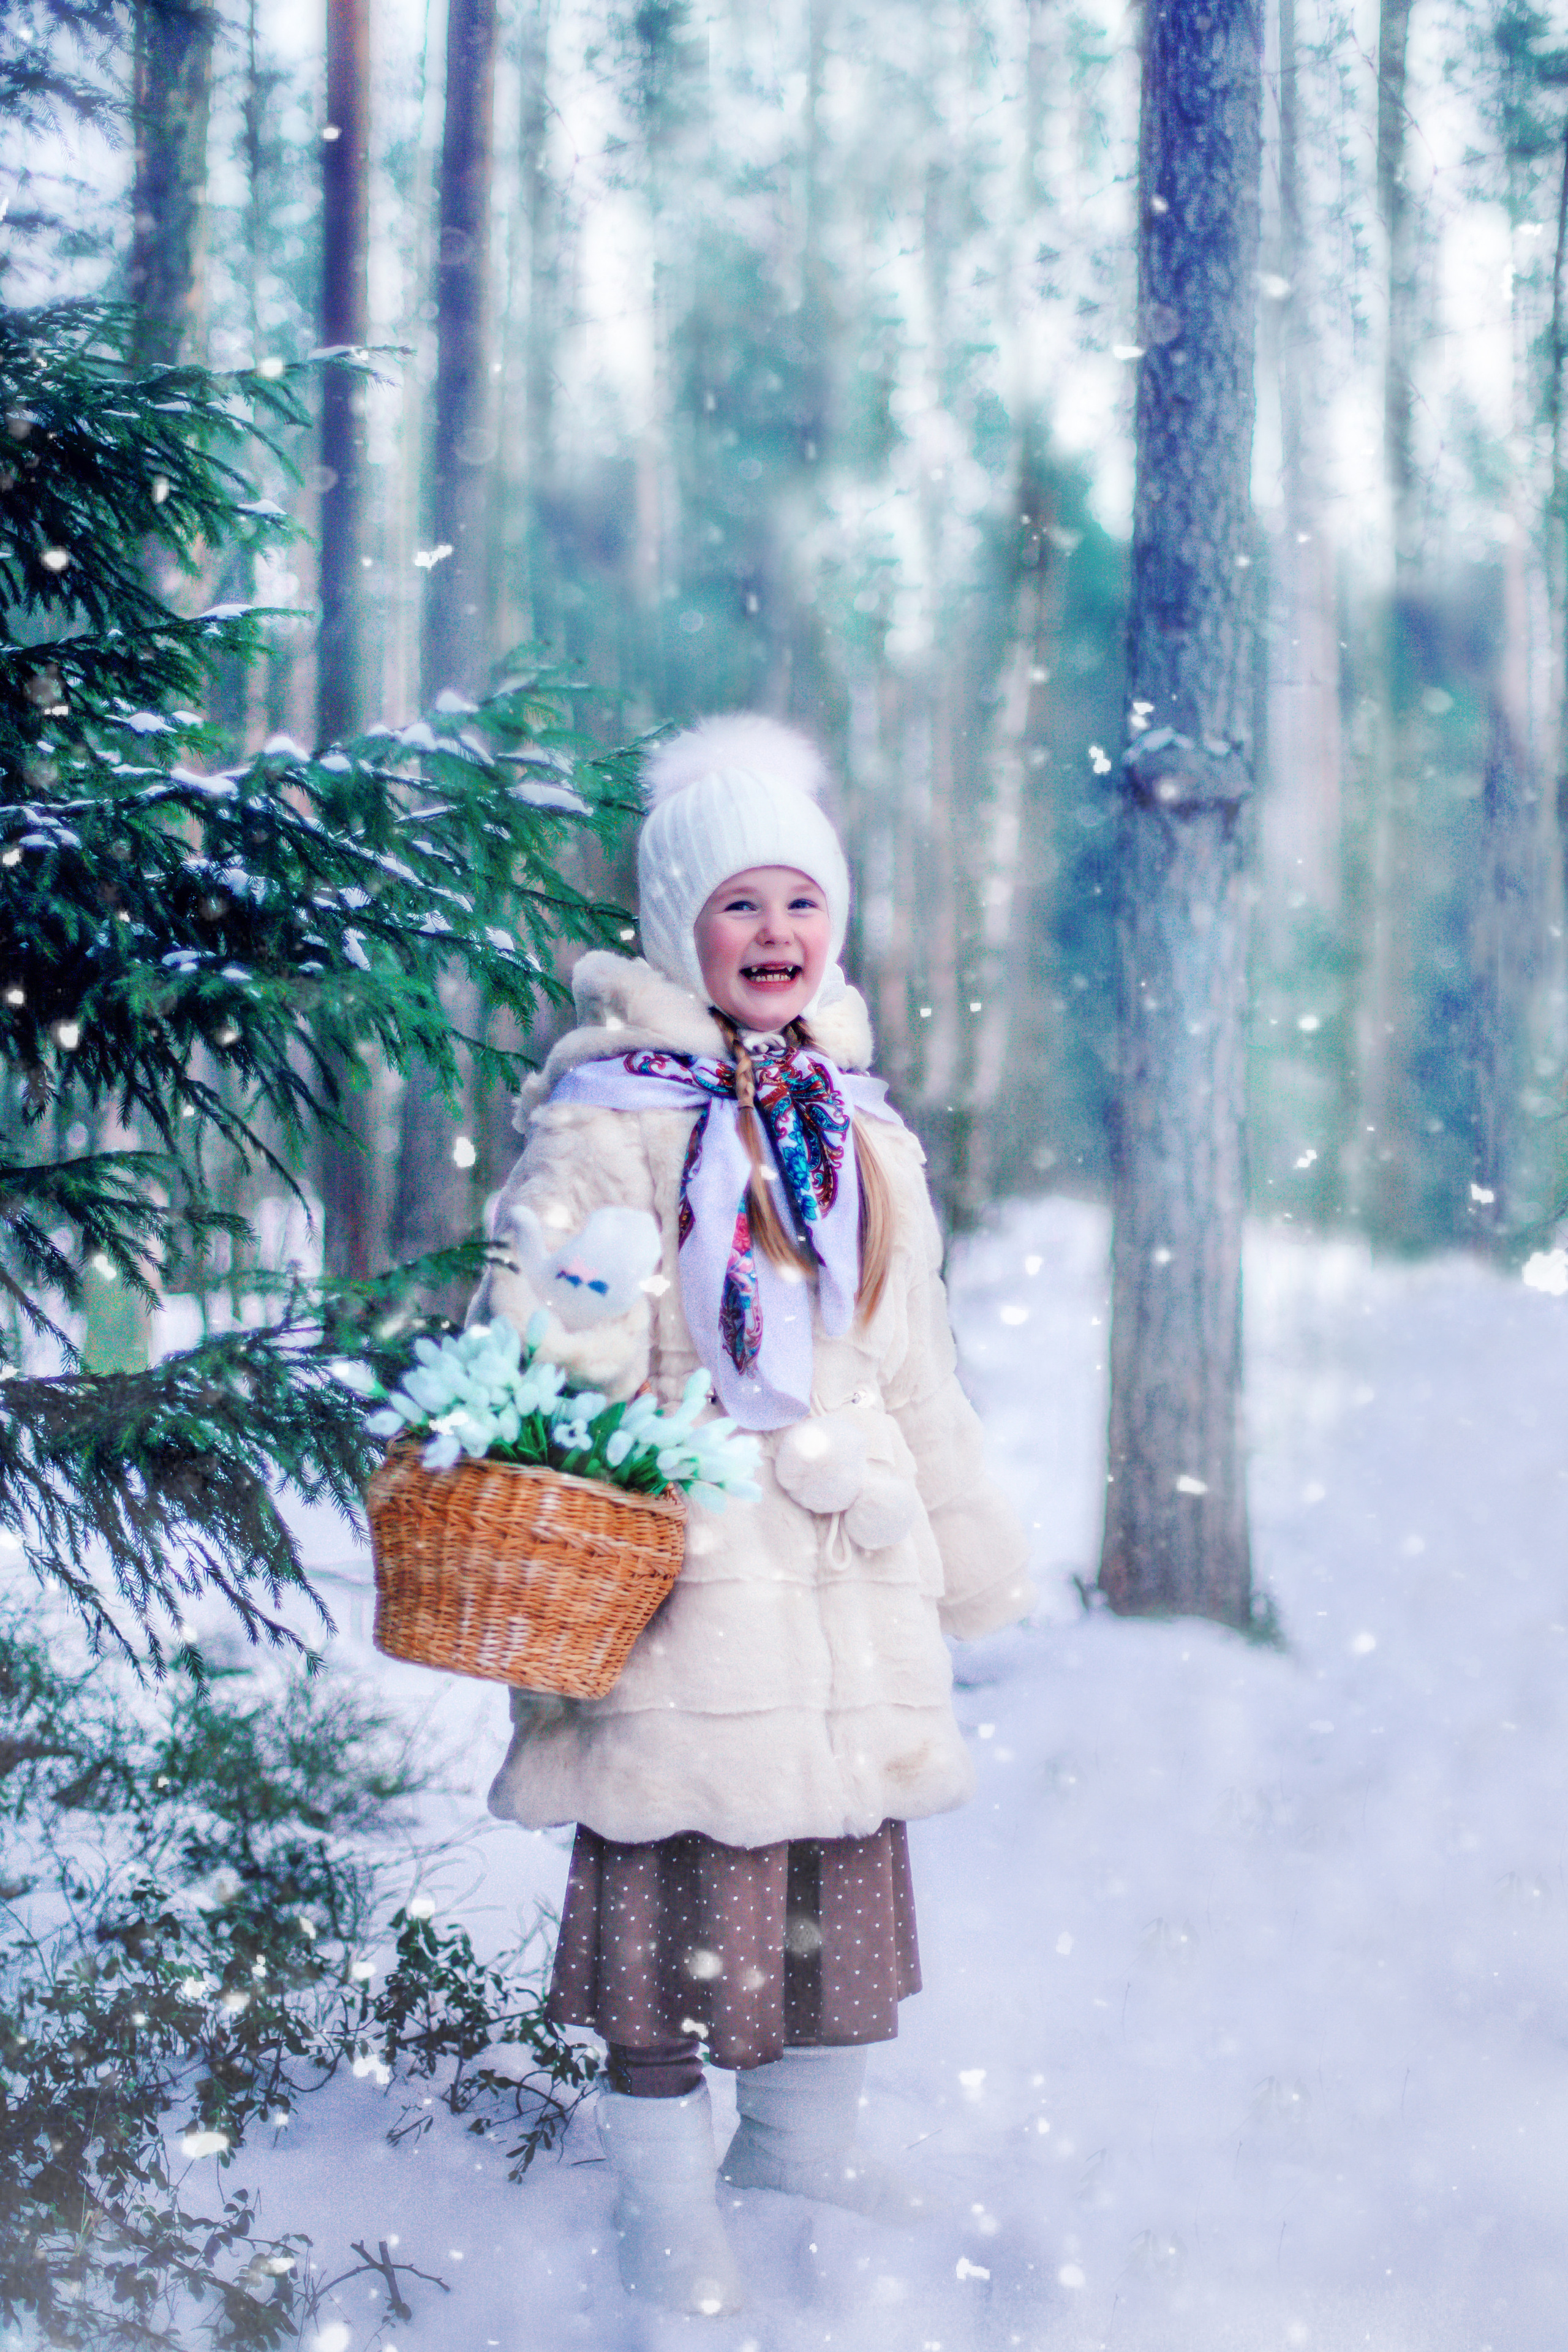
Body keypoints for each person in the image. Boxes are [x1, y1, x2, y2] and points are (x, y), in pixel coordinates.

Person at [469, 713, 1031, 2316]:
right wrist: (588, 1388)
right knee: (667, 1881)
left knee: (829, 1877)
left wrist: (969, 1548)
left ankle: (798, 2142)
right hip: (681, 1572)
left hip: (842, 1582)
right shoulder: (612, 1129)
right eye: (737, 905)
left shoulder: (862, 1137)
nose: (775, 934)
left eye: (799, 903)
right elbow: (550, 1343)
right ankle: (662, 2202)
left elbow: (911, 1367)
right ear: (676, 931)